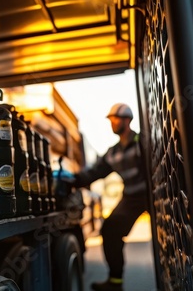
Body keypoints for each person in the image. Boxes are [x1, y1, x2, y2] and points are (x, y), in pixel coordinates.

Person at [58, 103, 149, 291]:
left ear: (127, 120)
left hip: (151, 195)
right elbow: (94, 172)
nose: (112, 123)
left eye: (115, 119)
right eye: (111, 120)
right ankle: (115, 283)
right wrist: (73, 180)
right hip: (132, 198)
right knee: (109, 230)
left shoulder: (143, 141)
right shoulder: (113, 152)